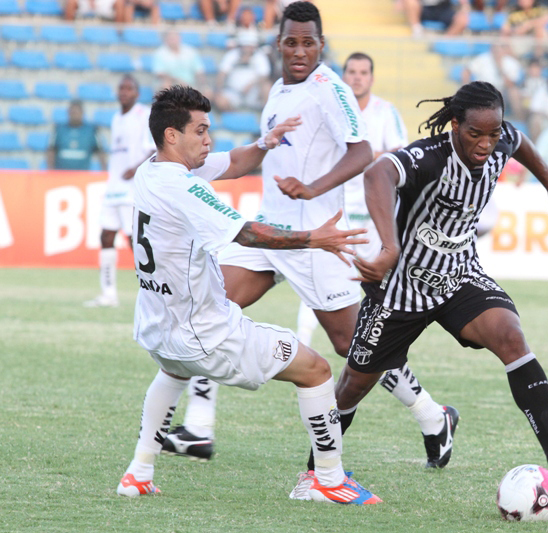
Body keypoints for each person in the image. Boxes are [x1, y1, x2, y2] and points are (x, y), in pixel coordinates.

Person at [165, 3, 457, 475]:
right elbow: (259, 158)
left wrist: (313, 188)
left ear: (321, 45)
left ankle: (432, 415)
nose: (299, 51)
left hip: (317, 238)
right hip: (270, 230)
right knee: (209, 306)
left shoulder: (330, 90)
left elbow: (362, 152)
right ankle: (198, 426)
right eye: (290, 41)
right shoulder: (280, 89)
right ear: (278, 44)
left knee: (353, 344)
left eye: (308, 42)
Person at [293, 81, 548, 498]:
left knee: (511, 336)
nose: (486, 143)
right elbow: (377, 172)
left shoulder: (501, 138)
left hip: (457, 276)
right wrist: (389, 245)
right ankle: (317, 475)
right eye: (475, 134)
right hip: (400, 287)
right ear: (455, 124)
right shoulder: (430, 158)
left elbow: (520, 141)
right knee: (354, 385)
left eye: (493, 133)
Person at [115, 84, 380, 505]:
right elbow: (248, 232)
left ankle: (138, 472)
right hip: (205, 332)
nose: (209, 139)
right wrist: (315, 237)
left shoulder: (154, 169)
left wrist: (265, 142)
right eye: (201, 131)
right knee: (316, 370)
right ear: (172, 135)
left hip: (157, 329)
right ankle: (328, 481)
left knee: (174, 370)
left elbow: (236, 162)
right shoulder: (183, 186)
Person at [295, 51, 410, 345]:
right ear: (343, 76)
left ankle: (376, 347)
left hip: (374, 216)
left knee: (374, 284)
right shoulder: (330, 109)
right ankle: (304, 340)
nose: (357, 77)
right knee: (323, 278)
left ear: (371, 78)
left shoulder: (386, 111)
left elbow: (401, 155)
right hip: (334, 211)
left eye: (363, 72)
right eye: (352, 72)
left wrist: (369, 157)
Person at [84, 76, 154, 308]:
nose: (124, 92)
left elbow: (154, 147)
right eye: (121, 88)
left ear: (137, 93)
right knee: (105, 236)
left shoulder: (143, 115)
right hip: (114, 186)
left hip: (131, 188)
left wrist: (135, 168)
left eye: (129, 89)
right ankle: (108, 294)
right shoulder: (116, 118)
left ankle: (152, 292)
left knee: (134, 239)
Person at [214, 30, 272, 111]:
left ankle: (266, 116)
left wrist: (251, 84)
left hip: (254, 93)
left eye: (250, 46)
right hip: (232, 92)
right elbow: (222, 74)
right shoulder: (231, 55)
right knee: (220, 101)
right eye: (246, 46)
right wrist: (218, 91)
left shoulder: (260, 56)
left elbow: (264, 76)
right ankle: (235, 118)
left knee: (267, 87)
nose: (248, 49)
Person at [48, 100, 106, 171]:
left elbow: (100, 151)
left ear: (82, 113)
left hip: (83, 175)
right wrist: (50, 170)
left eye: (76, 112)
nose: (74, 115)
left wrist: (104, 171)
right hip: (61, 175)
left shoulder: (91, 130)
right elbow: (51, 151)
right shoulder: (59, 129)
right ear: (68, 113)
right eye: (72, 112)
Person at [402, 0, 470, 37]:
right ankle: (417, 30)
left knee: (462, 19)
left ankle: (443, 42)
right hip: (424, 8)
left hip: (444, 9)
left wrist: (464, 5)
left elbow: (464, 4)